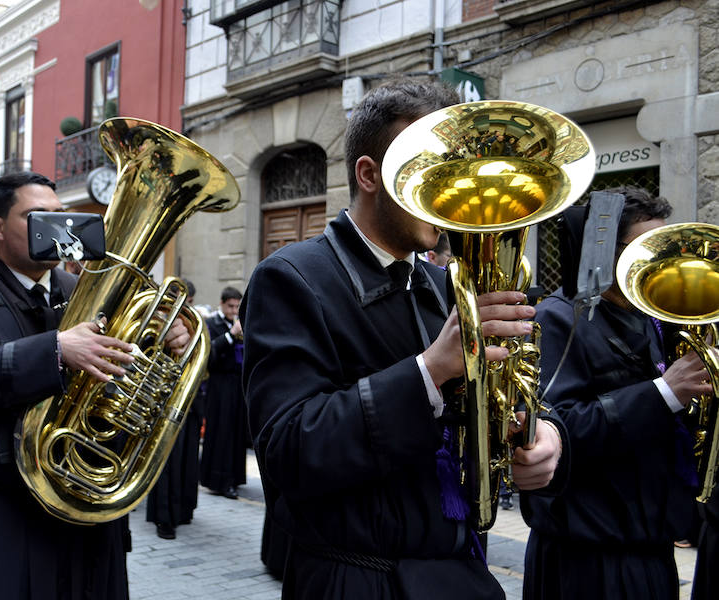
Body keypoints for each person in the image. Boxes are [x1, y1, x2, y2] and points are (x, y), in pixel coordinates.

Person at [240, 78, 567, 599]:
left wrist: (540, 435)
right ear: (369, 174)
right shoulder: (290, 276)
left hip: (460, 573)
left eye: (453, 173)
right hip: (357, 580)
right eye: (429, 173)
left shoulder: (446, 283)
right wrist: (430, 371)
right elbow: (286, 449)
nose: (449, 195)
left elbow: (503, 405)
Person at [0, 171, 191, 600]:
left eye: (59, 214)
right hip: (3, 514)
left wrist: (163, 343)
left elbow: (121, 374)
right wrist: (55, 349)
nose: (56, 226)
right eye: (36, 216)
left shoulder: (90, 287)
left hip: (86, 511)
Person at [521, 186, 710, 599]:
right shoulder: (557, 317)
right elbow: (555, 430)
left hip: (650, 547)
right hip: (585, 560)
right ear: (603, 248)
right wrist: (663, 393)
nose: (658, 262)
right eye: (645, 249)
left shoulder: (652, 316)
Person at [146, 278, 204, 539]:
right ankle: (164, 518)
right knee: (165, 462)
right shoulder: (155, 323)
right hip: (163, 401)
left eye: (189, 302)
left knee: (187, 460)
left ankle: (182, 510)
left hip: (189, 401)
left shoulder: (196, 325)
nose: (186, 308)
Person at [200, 286, 248, 499]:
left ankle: (234, 477)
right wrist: (231, 335)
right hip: (219, 385)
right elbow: (209, 353)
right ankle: (220, 480)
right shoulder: (212, 324)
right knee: (222, 433)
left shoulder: (239, 322)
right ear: (221, 303)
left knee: (236, 432)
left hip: (237, 384)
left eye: (237, 307)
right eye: (231, 306)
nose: (234, 311)